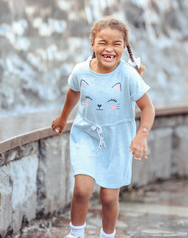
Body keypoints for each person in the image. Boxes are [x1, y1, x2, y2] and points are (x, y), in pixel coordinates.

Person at [51, 16, 155, 238]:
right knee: (82, 190)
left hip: (118, 140)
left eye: (116, 44)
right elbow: (73, 92)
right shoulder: (81, 71)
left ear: (124, 46)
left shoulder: (128, 75)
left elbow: (148, 108)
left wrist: (141, 136)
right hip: (86, 135)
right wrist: (62, 118)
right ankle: (76, 234)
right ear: (92, 44)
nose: (109, 49)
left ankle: (107, 235)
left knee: (109, 198)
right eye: (102, 42)